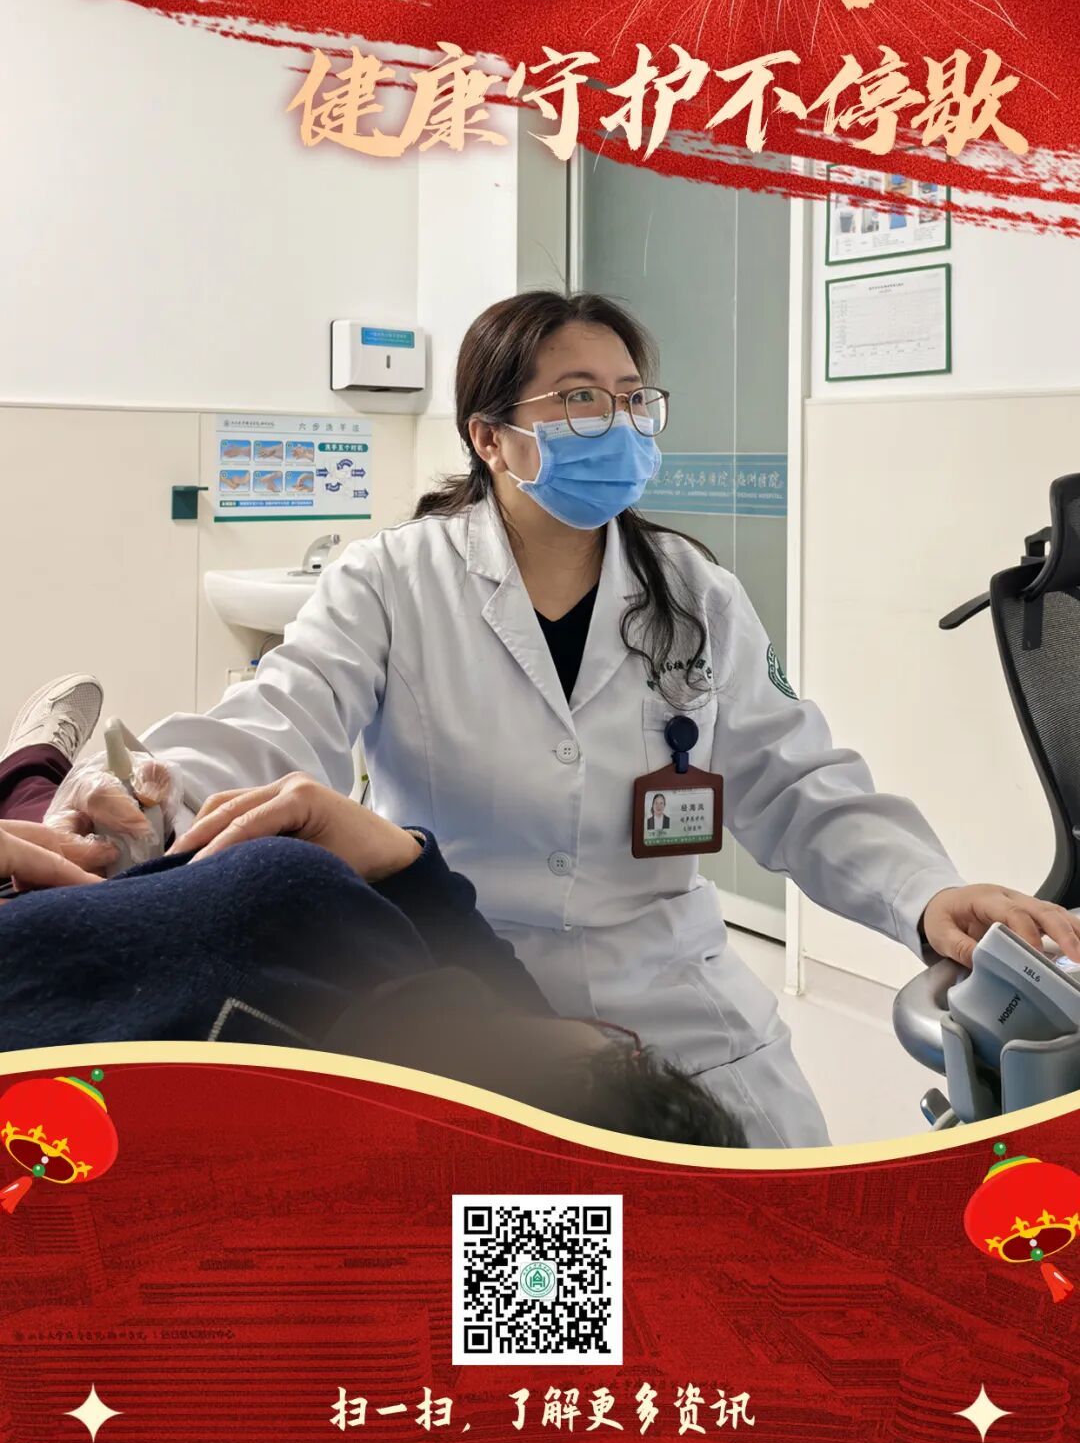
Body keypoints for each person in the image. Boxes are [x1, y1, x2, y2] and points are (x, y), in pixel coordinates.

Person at [47, 292, 1080, 1148]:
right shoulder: (393, 581)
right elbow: (281, 711)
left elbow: (793, 779)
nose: (617, 424)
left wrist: (925, 892)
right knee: (543, 1278)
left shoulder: (693, 590)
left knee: (755, 1248)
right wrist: (142, 794)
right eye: (581, 399)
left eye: (633, 399)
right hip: (468, 984)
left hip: (676, 990)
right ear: (490, 436)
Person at [0, 678, 746, 1148]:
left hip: (100, 898)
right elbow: (293, 698)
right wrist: (407, 862)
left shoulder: (296, 927)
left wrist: (145, 800)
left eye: (623, 1054)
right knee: (95, 832)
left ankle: (34, 765)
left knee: (68, 828)